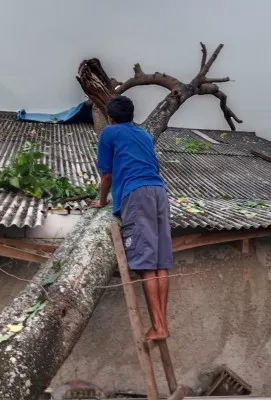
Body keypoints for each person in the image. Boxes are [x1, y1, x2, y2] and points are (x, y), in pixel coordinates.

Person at [90, 95, 172, 341]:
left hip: (136, 195)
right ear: (132, 116)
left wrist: (102, 201)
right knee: (160, 264)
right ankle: (161, 323)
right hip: (159, 193)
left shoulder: (109, 133)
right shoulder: (145, 135)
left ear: (110, 118)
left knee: (146, 264)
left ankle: (159, 327)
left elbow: (106, 175)